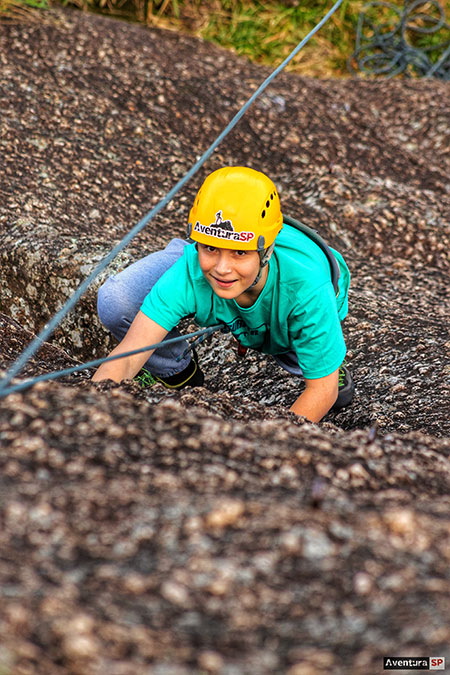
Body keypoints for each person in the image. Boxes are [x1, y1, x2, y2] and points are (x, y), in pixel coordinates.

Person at [92, 166, 354, 423]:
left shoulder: (307, 289)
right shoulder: (193, 269)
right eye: (210, 248)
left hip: (291, 299)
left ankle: (328, 359)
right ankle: (177, 372)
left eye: (239, 252)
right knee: (118, 299)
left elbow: (322, 391)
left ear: (267, 251)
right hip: (245, 289)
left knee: (332, 388)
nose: (222, 268)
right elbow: (127, 357)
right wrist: (87, 413)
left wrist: (268, 447)